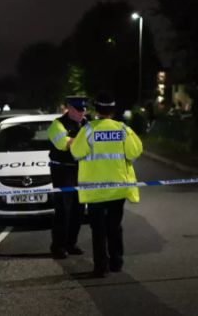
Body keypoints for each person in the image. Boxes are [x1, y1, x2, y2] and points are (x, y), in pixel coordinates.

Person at [69, 91, 143, 277]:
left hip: (95, 191)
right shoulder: (122, 129)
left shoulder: (87, 130)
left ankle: (100, 266)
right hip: (117, 188)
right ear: (112, 110)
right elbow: (135, 152)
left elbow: (76, 153)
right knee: (114, 226)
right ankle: (116, 262)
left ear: (96, 109)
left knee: (98, 229)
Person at [46, 95, 90, 259]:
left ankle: (71, 243)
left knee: (78, 210)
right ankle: (57, 246)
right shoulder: (57, 125)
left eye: (83, 110)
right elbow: (64, 144)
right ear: (69, 109)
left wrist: (79, 141)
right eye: (78, 110)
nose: (81, 113)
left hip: (80, 171)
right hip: (62, 172)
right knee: (63, 210)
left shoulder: (86, 123)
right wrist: (85, 141)